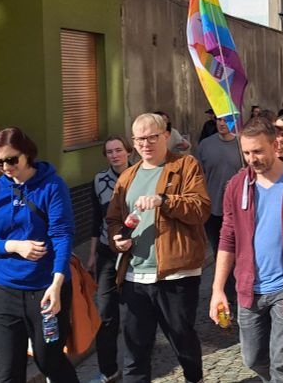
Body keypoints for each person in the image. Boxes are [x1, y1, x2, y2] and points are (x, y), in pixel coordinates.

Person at [209, 117, 283, 383]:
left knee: (282, 365)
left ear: (276, 146)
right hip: (248, 287)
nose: (252, 158)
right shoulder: (237, 186)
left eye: (258, 151)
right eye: (247, 152)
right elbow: (227, 238)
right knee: (252, 358)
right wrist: (218, 289)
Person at [106, 113, 211, 383]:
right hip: (134, 274)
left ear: (165, 135)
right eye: (139, 138)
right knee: (135, 349)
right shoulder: (128, 176)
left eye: (152, 136)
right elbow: (114, 219)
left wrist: (164, 200)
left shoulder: (185, 166)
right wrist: (117, 239)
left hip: (175, 273)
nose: (146, 143)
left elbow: (200, 209)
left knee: (181, 337)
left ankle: (193, 378)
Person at [0, 127, 78, 383]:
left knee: (49, 361)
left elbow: (62, 235)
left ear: (27, 154)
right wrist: (14, 246)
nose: (5, 166)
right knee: (10, 371)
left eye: (11, 159)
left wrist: (57, 284)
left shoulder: (52, 186)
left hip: (45, 288)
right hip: (5, 290)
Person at [89, 135, 132, 383]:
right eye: (109, 152)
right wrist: (93, 253)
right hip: (107, 253)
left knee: (137, 312)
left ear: (128, 151)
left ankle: (137, 364)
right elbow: (96, 219)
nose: (114, 155)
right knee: (106, 314)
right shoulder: (99, 181)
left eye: (118, 150)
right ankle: (108, 370)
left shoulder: (140, 176)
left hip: (137, 254)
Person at [197, 117, 244, 304]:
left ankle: (242, 291)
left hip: (239, 210)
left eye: (226, 120)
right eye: (218, 120)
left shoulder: (243, 144)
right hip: (213, 208)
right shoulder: (205, 145)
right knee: (220, 253)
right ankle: (226, 294)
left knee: (241, 252)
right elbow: (198, 175)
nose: (222, 124)